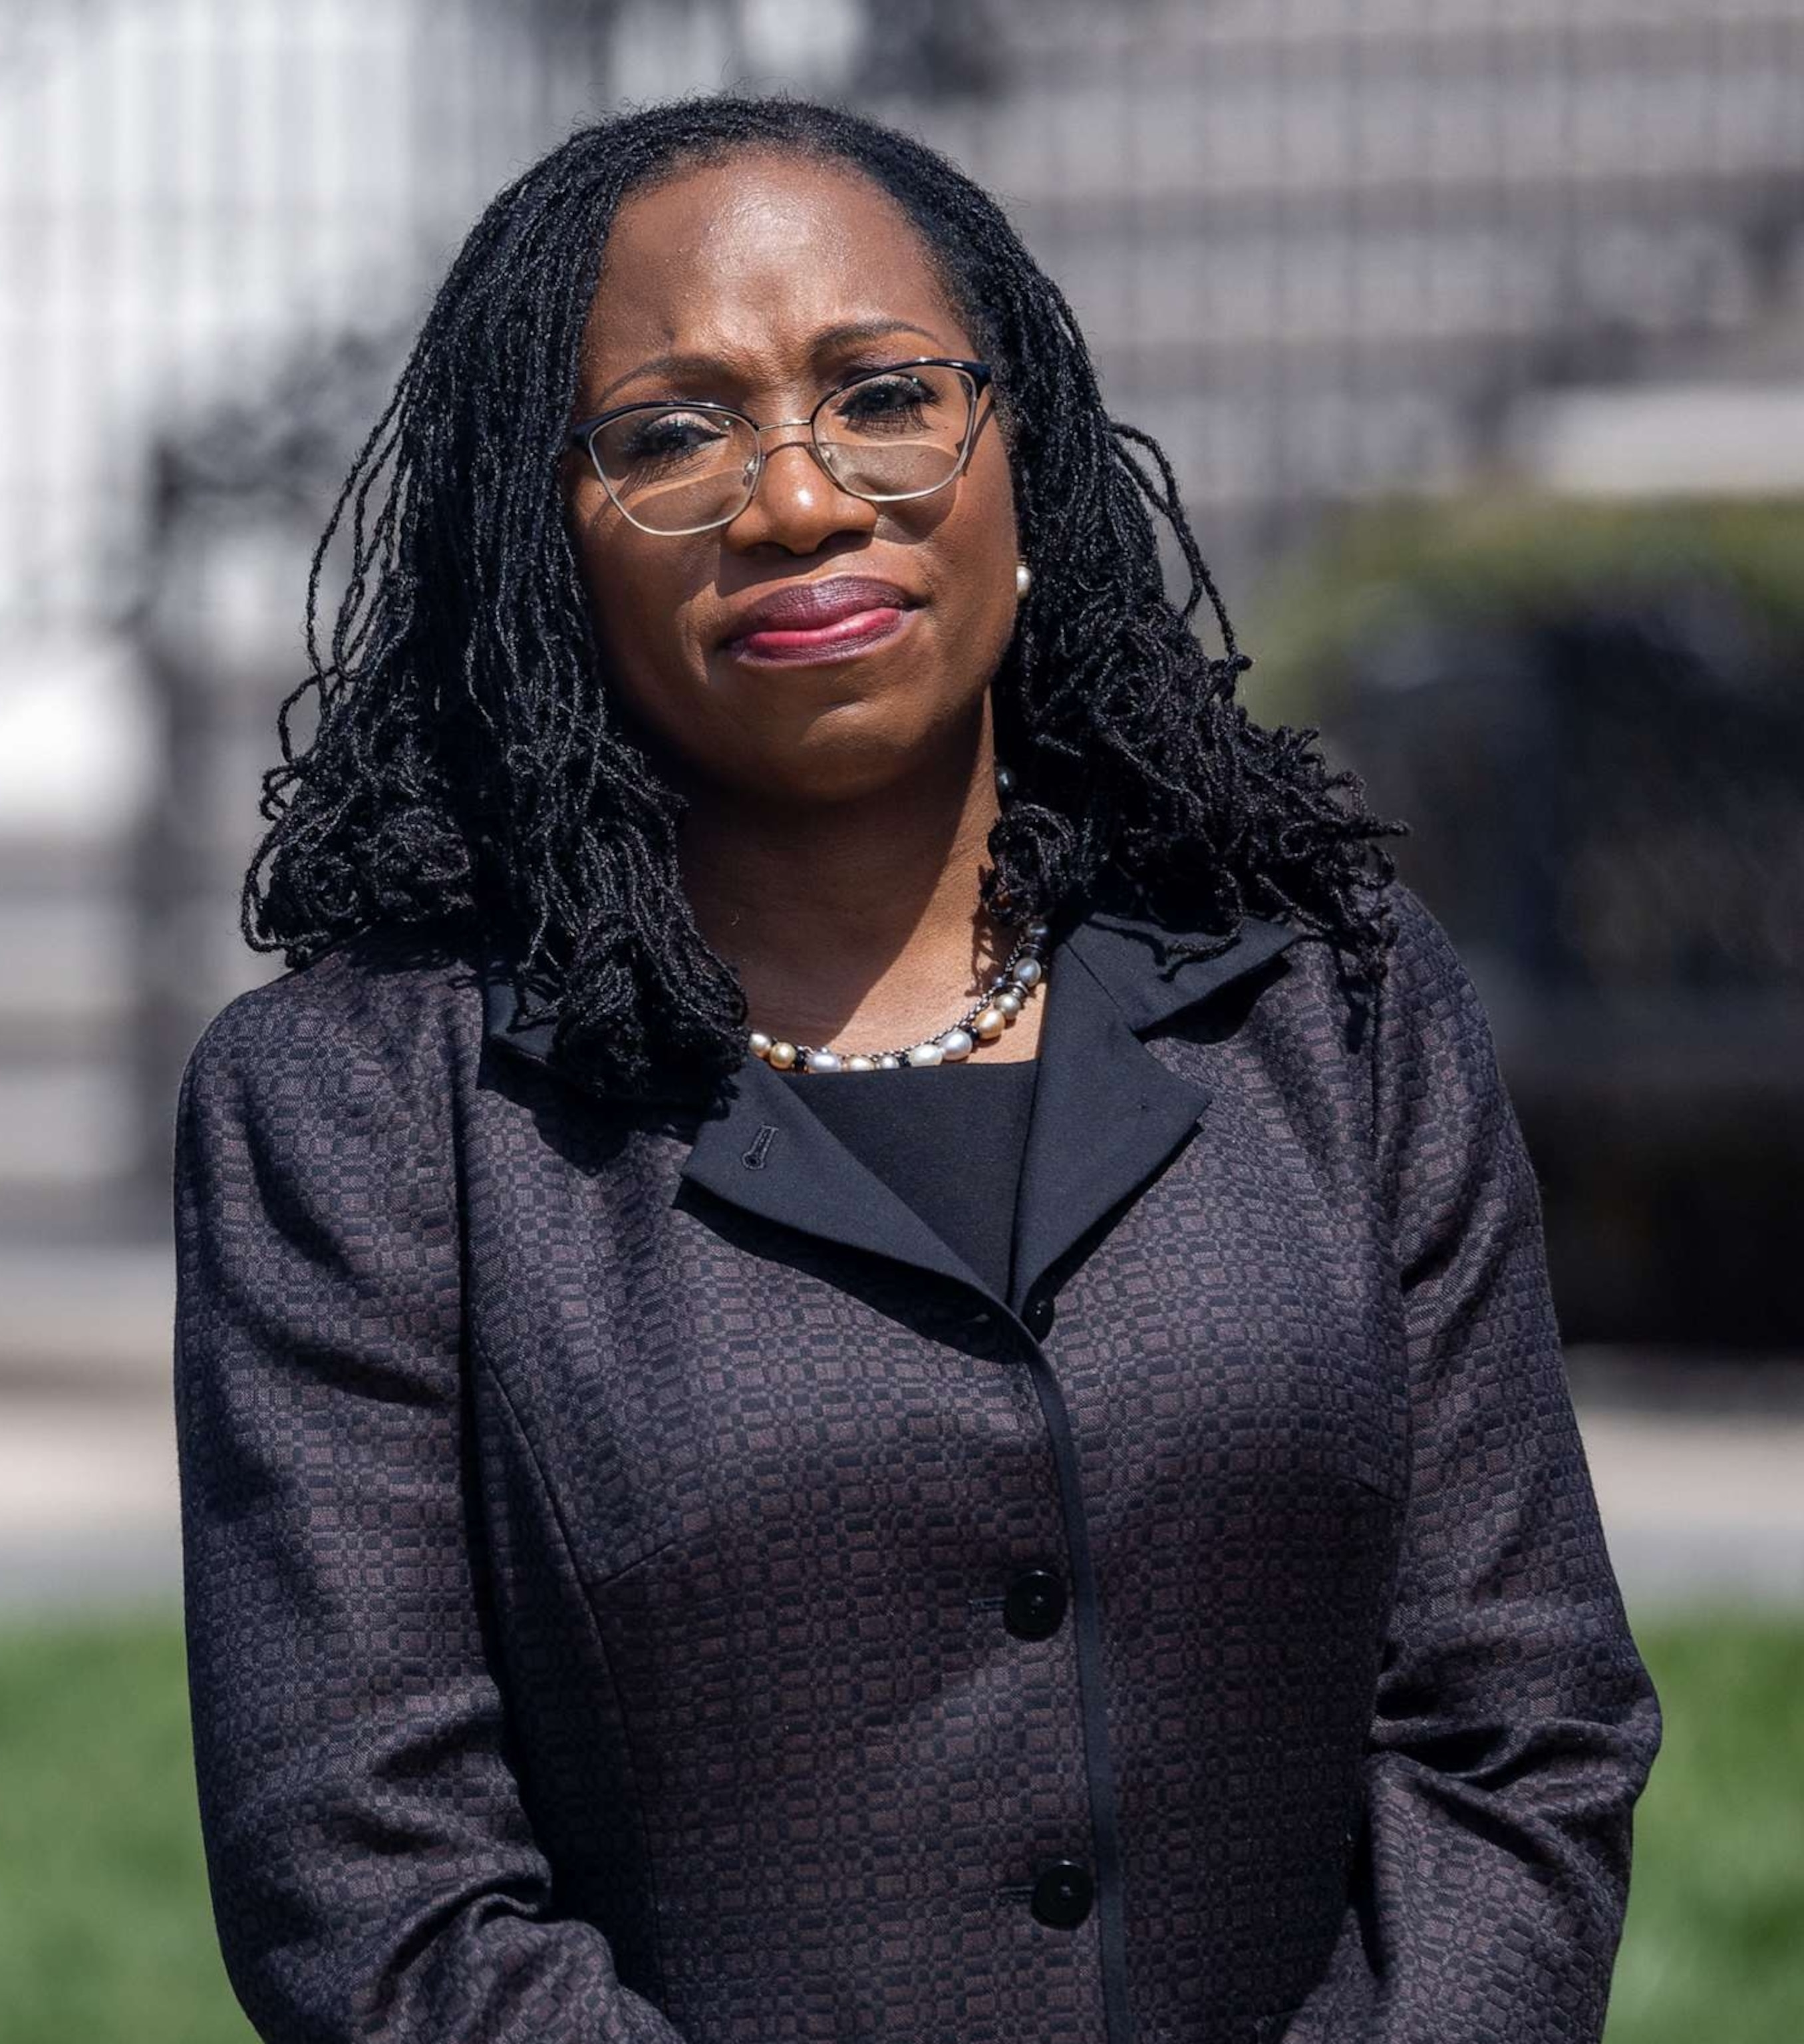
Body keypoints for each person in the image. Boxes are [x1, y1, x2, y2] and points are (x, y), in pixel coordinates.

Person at [170, 90, 1662, 2044]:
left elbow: (1522, 1735)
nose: (796, 498)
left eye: (882, 395)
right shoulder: (368, 1116)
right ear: (553, 554)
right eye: (673, 435)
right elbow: (371, 1897)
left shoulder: (1338, 1016)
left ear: (1016, 450)